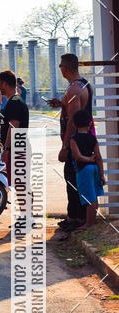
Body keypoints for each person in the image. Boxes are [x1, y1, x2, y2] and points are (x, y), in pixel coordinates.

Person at [48, 53, 94, 231]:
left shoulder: (74, 89)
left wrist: (65, 147)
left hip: (77, 141)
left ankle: (76, 218)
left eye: (60, 65)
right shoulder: (83, 84)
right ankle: (76, 216)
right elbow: (77, 109)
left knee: (72, 178)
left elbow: (73, 121)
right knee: (75, 177)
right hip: (84, 137)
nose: (60, 68)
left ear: (64, 68)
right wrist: (62, 104)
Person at [70, 108, 105, 231]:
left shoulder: (73, 139)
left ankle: (88, 224)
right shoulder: (93, 139)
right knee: (94, 196)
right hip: (95, 168)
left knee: (89, 198)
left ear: (74, 124)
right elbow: (99, 158)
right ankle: (92, 221)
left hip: (84, 169)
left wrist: (88, 159)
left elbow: (78, 156)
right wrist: (102, 175)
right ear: (90, 123)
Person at [0, 69, 29, 183]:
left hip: (16, 149)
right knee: (20, 185)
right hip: (17, 148)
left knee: (21, 186)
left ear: (5, 84)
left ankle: (27, 202)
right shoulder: (14, 100)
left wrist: (6, 149)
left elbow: (14, 127)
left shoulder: (14, 102)